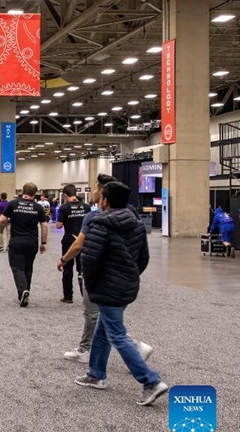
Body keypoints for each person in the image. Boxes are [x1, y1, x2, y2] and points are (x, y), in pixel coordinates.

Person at [76, 181, 168, 406]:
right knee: (102, 330)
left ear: (105, 200)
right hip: (126, 286)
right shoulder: (136, 224)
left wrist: (92, 284)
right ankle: (95, 374)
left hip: (108, 288)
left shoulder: (100, 224)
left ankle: (150, 381)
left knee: (116, 334)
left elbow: (89, 259)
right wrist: (130, 276)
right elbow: (143, 258)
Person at [57, 174, 153, 365]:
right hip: (124, 278)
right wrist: (131, 273)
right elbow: (143, 254)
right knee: (106, 319)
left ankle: (132, 355)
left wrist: (64, 260)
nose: (91, 192)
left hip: (103, 277)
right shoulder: (131, 213)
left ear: (102, 192)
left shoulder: (96, 217)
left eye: (94, 188)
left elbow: (80, 246)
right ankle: (97, 370)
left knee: (94, 314)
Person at [0, 182, 48, 307]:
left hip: (16, 241)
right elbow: (44, 225)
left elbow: (2, 219)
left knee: (17, 267)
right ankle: (25, 293)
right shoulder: (38, 207)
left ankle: (22, 291)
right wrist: (43, 243)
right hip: (32, 242)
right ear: (34, 194)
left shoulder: (13, 204)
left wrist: (9, 221)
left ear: (22, 191)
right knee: (28, 268)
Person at [57, 185, 91, 303]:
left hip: (69, 240)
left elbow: (59, 225)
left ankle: (68, 296)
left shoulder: (64, 208)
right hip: (84, 239)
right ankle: (85, 295)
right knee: (82, 269)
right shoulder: (86, 207)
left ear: (65, 195)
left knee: (67, 267)